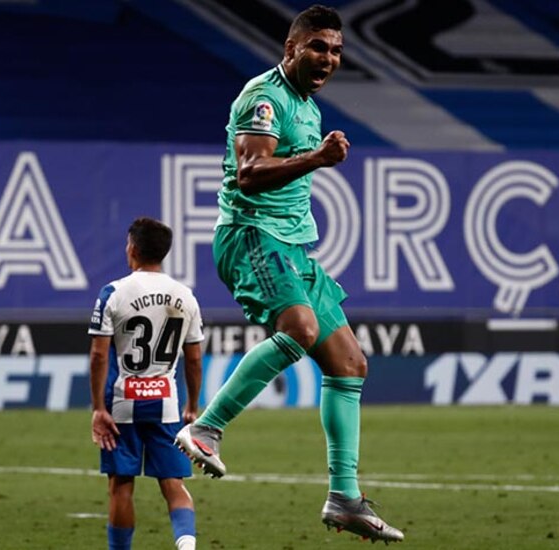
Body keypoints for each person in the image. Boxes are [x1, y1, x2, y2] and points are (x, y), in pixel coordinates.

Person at [173, 5, 404, 543]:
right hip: (251, 236)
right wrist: (318, 160)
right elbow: (251, 174)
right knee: (298, 329)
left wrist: (315, 158)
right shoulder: (264, 97)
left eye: (337, 50)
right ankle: (206, 427)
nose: (329, 58)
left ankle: (344, 498)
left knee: (350, 362)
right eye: (319, 47)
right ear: (291, 48)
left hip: (295, 248)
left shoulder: (307, 107)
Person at [89, 217, 203, 550]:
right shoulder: (185, 296)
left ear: (134, 249)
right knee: (173, 483)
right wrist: (192, 406)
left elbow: (99, 356)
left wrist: (98, 408)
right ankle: (186, 546)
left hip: (123, 403)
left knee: (121, 485)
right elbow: (194, 360)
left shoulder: (113, 292)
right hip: (166, 402)